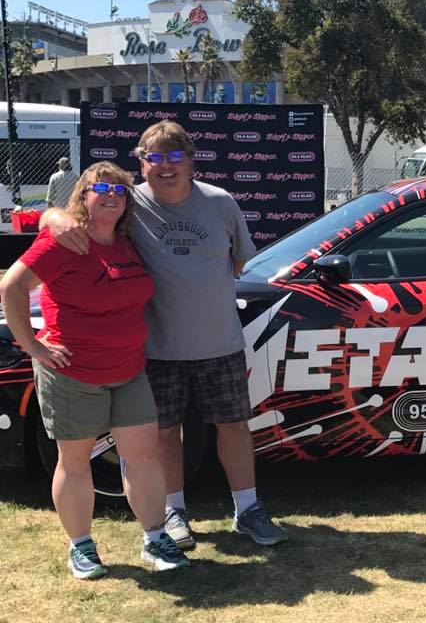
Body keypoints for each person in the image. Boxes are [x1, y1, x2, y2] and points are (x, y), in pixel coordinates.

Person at [43, 121, 286, 550]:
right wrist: (53, 215)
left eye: (175, 156)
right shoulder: (129, 204)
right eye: (154, 157)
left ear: (191, 162)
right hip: (155, 350)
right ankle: (174, 513)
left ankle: (248, 510)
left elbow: (238, 263)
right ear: (141, 164)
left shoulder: (221, 202)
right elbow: (75, 215)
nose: (165, 165)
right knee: (163, 434)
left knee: (233, 426)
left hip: (220, 344)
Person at [1, 162, 189, 579]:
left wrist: (51, 214)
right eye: (101, 189)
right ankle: (81, 546)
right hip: (73, 371)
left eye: (120, 191)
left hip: (129, 369)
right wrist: (33, 345)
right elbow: (11, 287)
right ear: (83, 195)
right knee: (74, 461)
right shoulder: (64, 240)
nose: (111, 196)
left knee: (143, 456)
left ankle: (155, 537)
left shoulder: (128, 241)